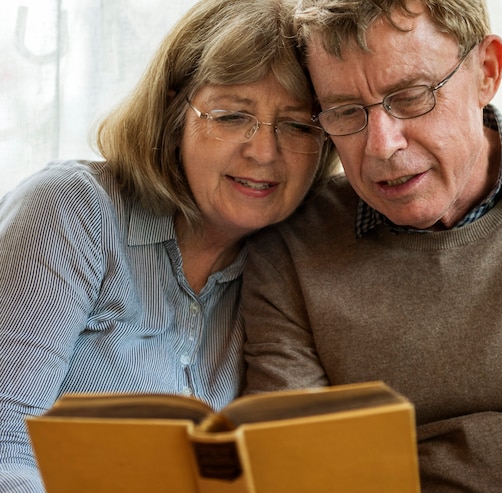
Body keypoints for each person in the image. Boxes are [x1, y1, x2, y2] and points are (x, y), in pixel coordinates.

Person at [241, 0, 502, 491]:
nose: (382, 145)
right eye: (345, 112)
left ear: (486, 72)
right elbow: (299, 467)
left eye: (411, 96)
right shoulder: (291, 244)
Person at [0, 0, 336, 490]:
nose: (264, 151)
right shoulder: (73, 211)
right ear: (175, 110)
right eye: (230, 116)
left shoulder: (289, 265)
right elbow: (5, 438)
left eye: (298, 125)